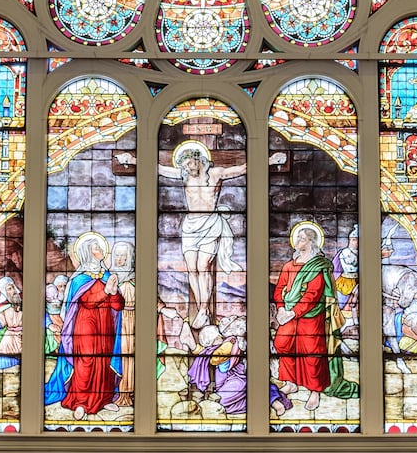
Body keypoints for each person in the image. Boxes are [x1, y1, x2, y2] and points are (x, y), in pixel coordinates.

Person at [151, 141, 251, 328]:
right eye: (186, 164)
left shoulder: (215, 174)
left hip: (210, 223)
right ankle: (201, 308)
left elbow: (242, 169)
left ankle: (204, 309)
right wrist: (132, 160)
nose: (190, 167)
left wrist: (269, 161)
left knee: (203, 266)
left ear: (199, 159)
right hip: (190, 226)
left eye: (192, 162)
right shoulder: (183, 176)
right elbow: (158, 168)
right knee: (192, 269)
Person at [272, 221, 359, 410]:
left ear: (311, 242)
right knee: (282, 344)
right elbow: (279, 289)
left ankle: (314, 391)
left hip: (310, 316)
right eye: (297, 238)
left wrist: (293, 312)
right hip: (287, 313)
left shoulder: (319, 266)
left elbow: (314, 294)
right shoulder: (289, 266)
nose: (298, 241)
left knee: (312, 352)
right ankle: (291, 381)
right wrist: (280, 308)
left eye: (302, 238)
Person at [44, 232, 124, 420]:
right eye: (95, 248)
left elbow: (119, 305)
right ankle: (79, 401)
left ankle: (103, 399)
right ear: (86, 251)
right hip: (85, 325)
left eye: (100, 247)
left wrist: (113, 293)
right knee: (86, 361)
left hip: (106, 326)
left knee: (104, 362)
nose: (100, 251)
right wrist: (106, 290)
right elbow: (86, 301)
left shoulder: (107, 275)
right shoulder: (79, 278)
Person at [110, 241, 136, 404]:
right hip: (113, 322)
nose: (120, 259)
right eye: (117, 256)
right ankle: (115, 392)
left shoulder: (135, 278)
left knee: (128, 355)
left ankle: (127, 393)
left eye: (123, 256)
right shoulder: (110, 277)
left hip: (131, 323)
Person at [0, 276, 24, 369]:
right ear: (4, 292)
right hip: (9, 342)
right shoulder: (3, 307)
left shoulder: (26, 301)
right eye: (9, 289)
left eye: (13, 287)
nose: (14, 291)